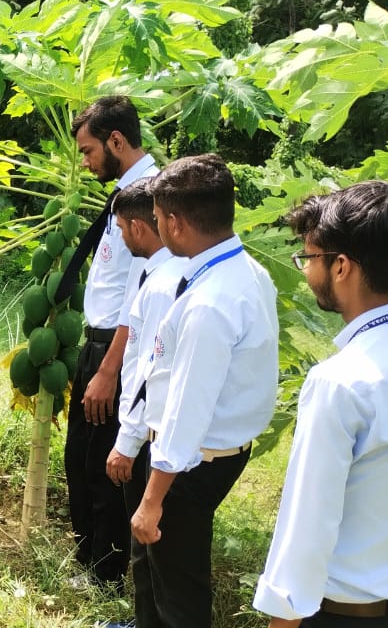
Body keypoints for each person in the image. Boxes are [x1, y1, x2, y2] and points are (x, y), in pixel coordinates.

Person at [129, 153, 278, 628]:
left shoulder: (209, 305)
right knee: (160, 570)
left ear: (173, 222)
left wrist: (152, 500)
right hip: (220, 450)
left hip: (192, 463)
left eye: (155, 218)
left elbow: (186, 412)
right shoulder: (246, 271)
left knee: (179, 587)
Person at [254, 181, 388, 627]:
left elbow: (308, 526)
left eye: (310, 258)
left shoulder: (341, 381)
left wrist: (283, 617)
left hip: (348, 614)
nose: (306, 270)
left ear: (342, 267)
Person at [60, 95, 157, 588]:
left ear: (116, 140)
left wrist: (108, 368)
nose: (85, 160)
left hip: (117, 350)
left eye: (88, 150)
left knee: (104, 465)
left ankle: (105, 572)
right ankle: (91, 560)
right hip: (97, 343)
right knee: (80, 457)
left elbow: (139, 299)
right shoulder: (125, 191)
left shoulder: (146, 200)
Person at [102, 178, 186, 628]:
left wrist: (127, 442)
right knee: (153, 546)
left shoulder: (159, 286)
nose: (120, 235)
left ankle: (149, 621)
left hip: (153, 432)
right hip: (163, 429)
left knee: (150, 545)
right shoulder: (170, 273)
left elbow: (147, 374)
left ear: (138, 227)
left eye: (120, 226)